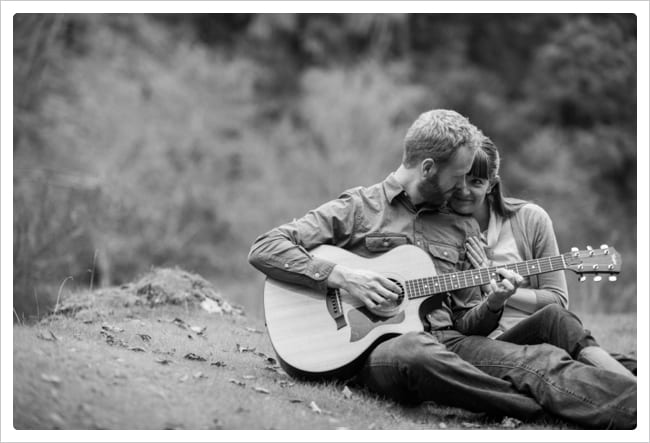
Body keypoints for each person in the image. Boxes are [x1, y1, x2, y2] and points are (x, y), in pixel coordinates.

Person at [248, 109, 636, 429]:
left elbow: (469, 323)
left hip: (449, 341)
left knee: (538, 361)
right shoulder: (359, 208)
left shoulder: (461, 226)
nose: (464, 186)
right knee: (418, 352)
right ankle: (535, 409)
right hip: (374, 353)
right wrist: (344, 276)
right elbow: (265, 247)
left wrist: (495, 302)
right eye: (459, 175)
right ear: (429, 168)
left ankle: (634, 410)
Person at [448, 137, 637, 377]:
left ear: (491, 185)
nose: (464, 190)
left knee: (618, 361)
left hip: (546, 338)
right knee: (556, 322)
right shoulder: (439, 230)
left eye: (475, 181)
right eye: (458, 179)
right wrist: (490, 297)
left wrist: (501, 290)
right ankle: (632, 393)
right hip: (494, 346)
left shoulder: (531, 220)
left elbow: (557, 300)